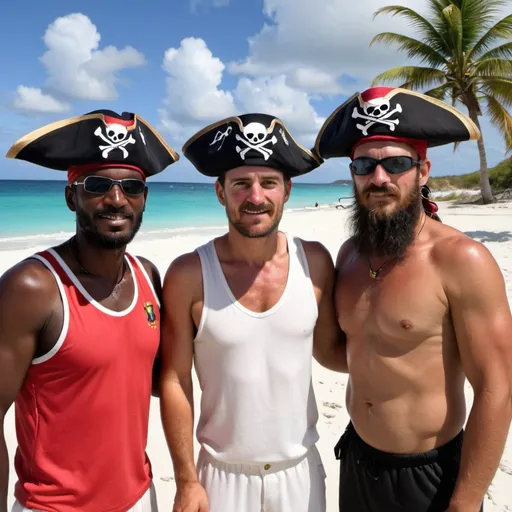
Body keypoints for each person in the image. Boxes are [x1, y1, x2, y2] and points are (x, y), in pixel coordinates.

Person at [314, 86, 512, 511]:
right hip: (356, 456)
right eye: (365, 164)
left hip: (429, 474)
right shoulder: (349, 255)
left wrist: (468, 499)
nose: (379, 178)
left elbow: (497, 387)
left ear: (423, 170)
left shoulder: (461, 259)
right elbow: (347, 353)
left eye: (396, 164)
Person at [159, 113, 346, 512]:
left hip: (301, 470)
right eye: (241, 183)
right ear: (220, 192)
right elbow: (175, 379)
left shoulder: (314, 261)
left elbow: (332, 350)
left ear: (288, 190)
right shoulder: (189, 273)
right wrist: (186, 479)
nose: (255, 196)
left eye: (269, 183)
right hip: (221, 474)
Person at [1, 110, 179, 512]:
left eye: (131, 187)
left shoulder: (147, 276)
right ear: (71, 197)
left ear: (144, 199)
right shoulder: (32, 287)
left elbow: (155, 380)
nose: (116, 200)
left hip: (140, 497)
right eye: (97, 185)